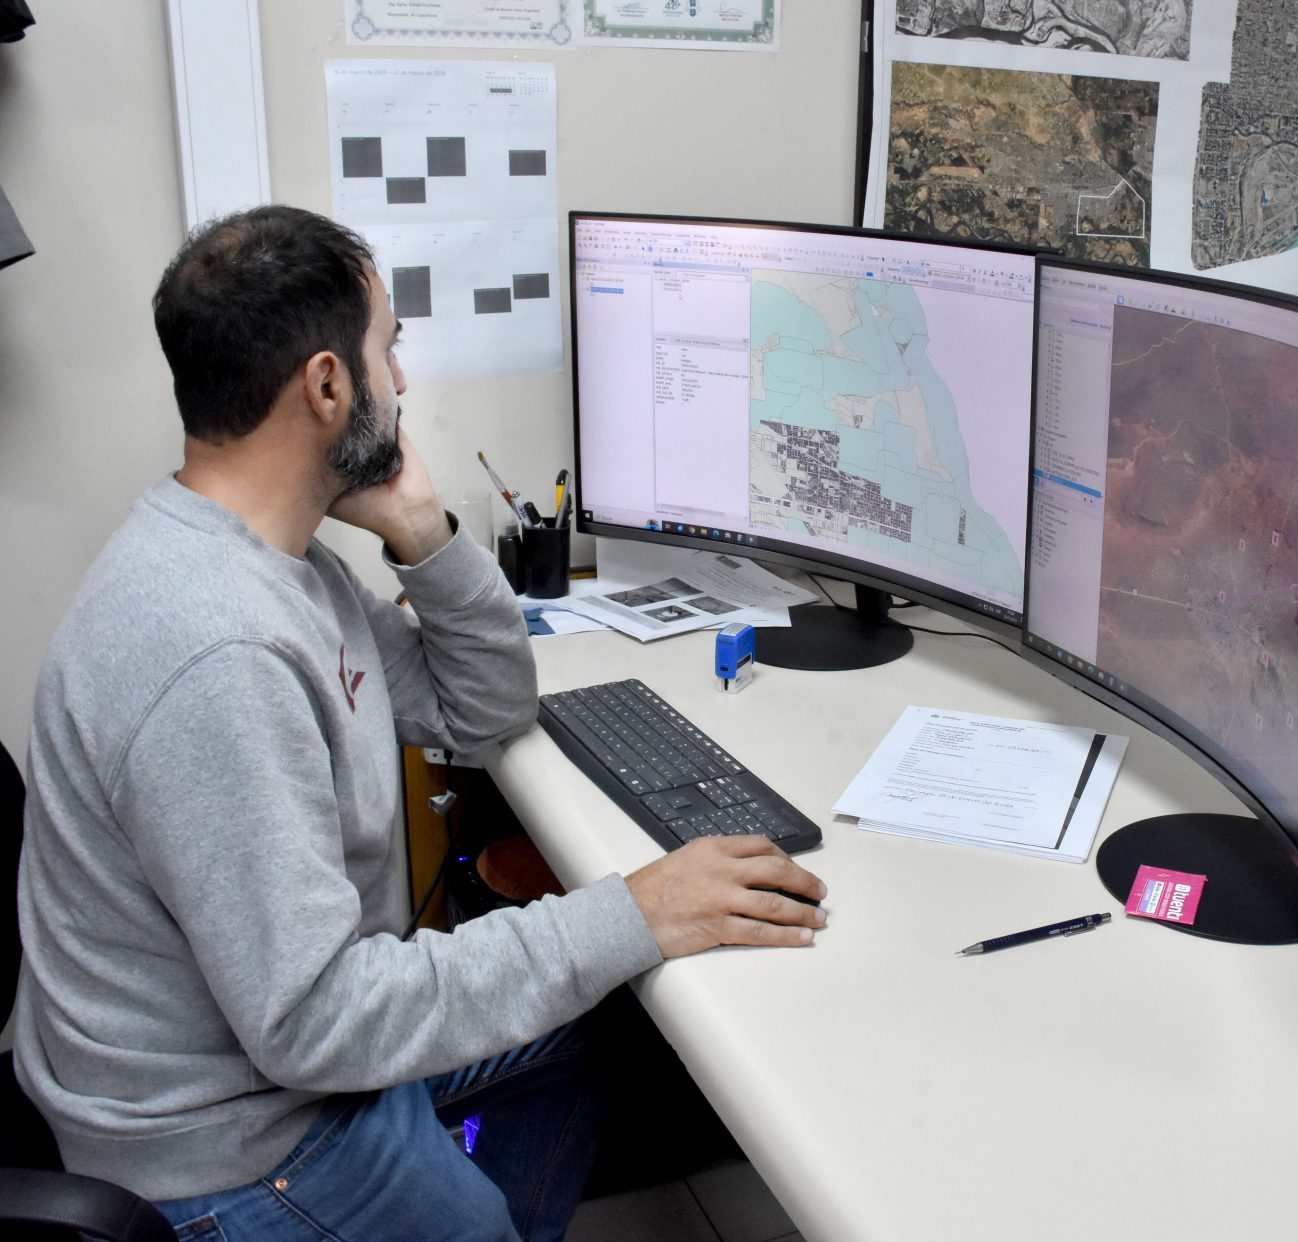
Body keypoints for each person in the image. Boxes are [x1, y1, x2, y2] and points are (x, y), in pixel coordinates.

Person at [13, 204, 827, 1242]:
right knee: (609, 966)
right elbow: (317, 1023)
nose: (401, 381)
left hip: (287, 1066)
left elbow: (480, 707)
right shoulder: (219, 650)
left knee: (602, 1023)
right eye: (387, 350)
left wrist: (422, 531)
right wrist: (633, 910)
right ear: (327, 387)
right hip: (243, 1149)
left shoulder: (274, 564)